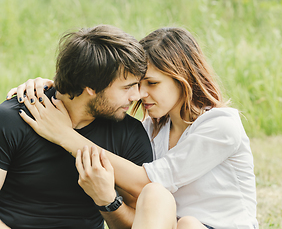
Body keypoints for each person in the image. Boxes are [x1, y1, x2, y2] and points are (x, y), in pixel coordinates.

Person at [9, 27, 258, 229]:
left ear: (184, 79)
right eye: (136, 84)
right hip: (171, 225)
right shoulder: (151, 129)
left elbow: (148, 180)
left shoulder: (221, 124)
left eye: (152, 83)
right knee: (159, 200)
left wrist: (65, 135)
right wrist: (55, 87)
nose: (140, 94)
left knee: (185, 220)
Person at [0, 25, 153, 229]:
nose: (136, 96)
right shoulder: (13, 119)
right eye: (127, 87)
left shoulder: (129, 133)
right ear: (90, 86)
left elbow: (141, 223)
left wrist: (108, 201)